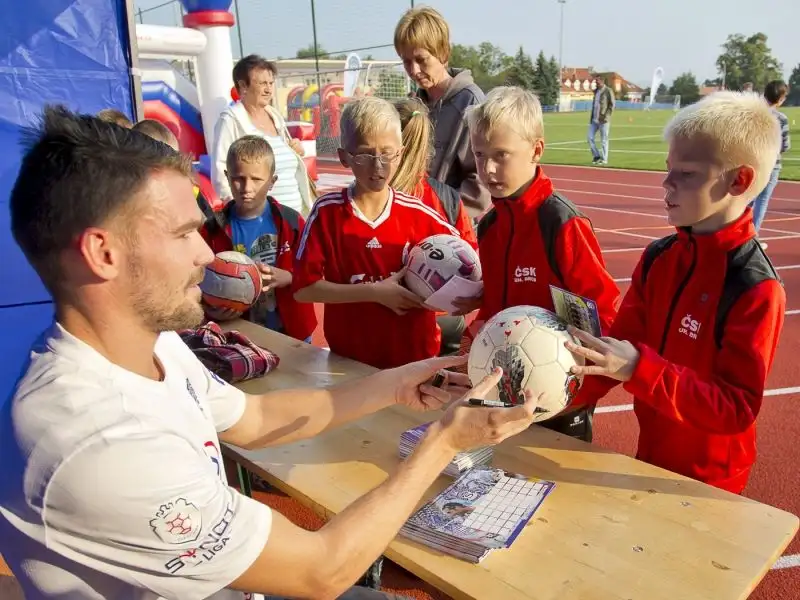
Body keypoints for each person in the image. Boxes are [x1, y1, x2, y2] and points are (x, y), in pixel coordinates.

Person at [0, 105, 541, 600]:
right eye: (184, 233)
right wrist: (444, 442)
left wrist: (398, 382)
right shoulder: (94, 441)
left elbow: (256, 417)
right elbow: (320, 571)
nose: (206, 252)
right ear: (103, 252)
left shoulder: (152, 344)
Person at [567, 91, 786, 494]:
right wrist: (549, 396)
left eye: (685, 174)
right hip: (650, 449)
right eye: (668, 169)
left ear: (740, 180)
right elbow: (618, 346)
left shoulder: (756, 288)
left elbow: (736, 409)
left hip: (710, 478)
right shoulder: (660, 258)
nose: (665, 184)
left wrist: (639, 369)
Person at [455, 86, 620, 442]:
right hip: (506, 394)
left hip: (561, 403)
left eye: (501, 155)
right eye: (480, 155)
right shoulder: (490, 226)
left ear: (536, 150)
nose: (488, 169)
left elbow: (602, 317)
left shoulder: (561, 224)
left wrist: (575, 394)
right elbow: (496, 308)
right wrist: (473, 345)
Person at [293, 96, 463, 370]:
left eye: (388, 153)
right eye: (364, 155)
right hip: (350, 361)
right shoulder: (326, 213)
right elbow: (303, 289)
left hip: (413, 361)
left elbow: (468, 263)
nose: (378, 166)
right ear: (344, 157)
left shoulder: (421, 215)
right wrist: (373, 292)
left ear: (401, 151)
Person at [200, 135, 317, 342]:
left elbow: (316, 272)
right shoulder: (212, 228)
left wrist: (289, 277)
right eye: (238, 178)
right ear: (227, 177)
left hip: (293, 332)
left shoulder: (291, 222)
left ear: (272, 182)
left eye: (256, 179)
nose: (246, 188)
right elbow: (195, 279)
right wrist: (211, 311)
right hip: (239, 332)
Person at [391, 97, 477, 357]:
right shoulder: (446, 197)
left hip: (392, 320)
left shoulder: (375, 201)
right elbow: (472, 259)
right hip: (445, 318)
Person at [394, 6, 490, 222]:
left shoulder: (470, 103)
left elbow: (479, 182)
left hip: (450, 229)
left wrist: (437, 213)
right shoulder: (414, 106)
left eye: (421, 59)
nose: (414, 70)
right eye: (406, 61)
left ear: (443, 52)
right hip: (414, 222)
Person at [212, 54, 314, 216]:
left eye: (271, 83)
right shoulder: (231, 120)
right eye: (262, 83)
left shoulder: (274, 115)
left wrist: (296, 152)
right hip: (261, 221)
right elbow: (220, 173)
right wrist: (241, 213)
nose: (268, 89)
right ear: (243, 85)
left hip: (295, 218)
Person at [749, 79, 790, 246]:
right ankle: (752, 237)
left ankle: (730, 228)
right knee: (762, 200)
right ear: (780, 98)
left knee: (747, 198)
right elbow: (785, 145)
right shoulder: (780, 118)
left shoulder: (752, 114)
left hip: (753, 161)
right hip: (772, 163)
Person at [587, 76, 614, 165]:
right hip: (594, 120)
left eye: (597, 82)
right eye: (595, 82)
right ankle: (596, 155)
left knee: (604, 140)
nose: (596, 83)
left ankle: (604, 159)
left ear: (602, 81)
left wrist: (606, 116)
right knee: (590, 137)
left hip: (603, 120)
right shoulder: (596, 91)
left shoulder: (608, 91)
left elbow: (612, 105)